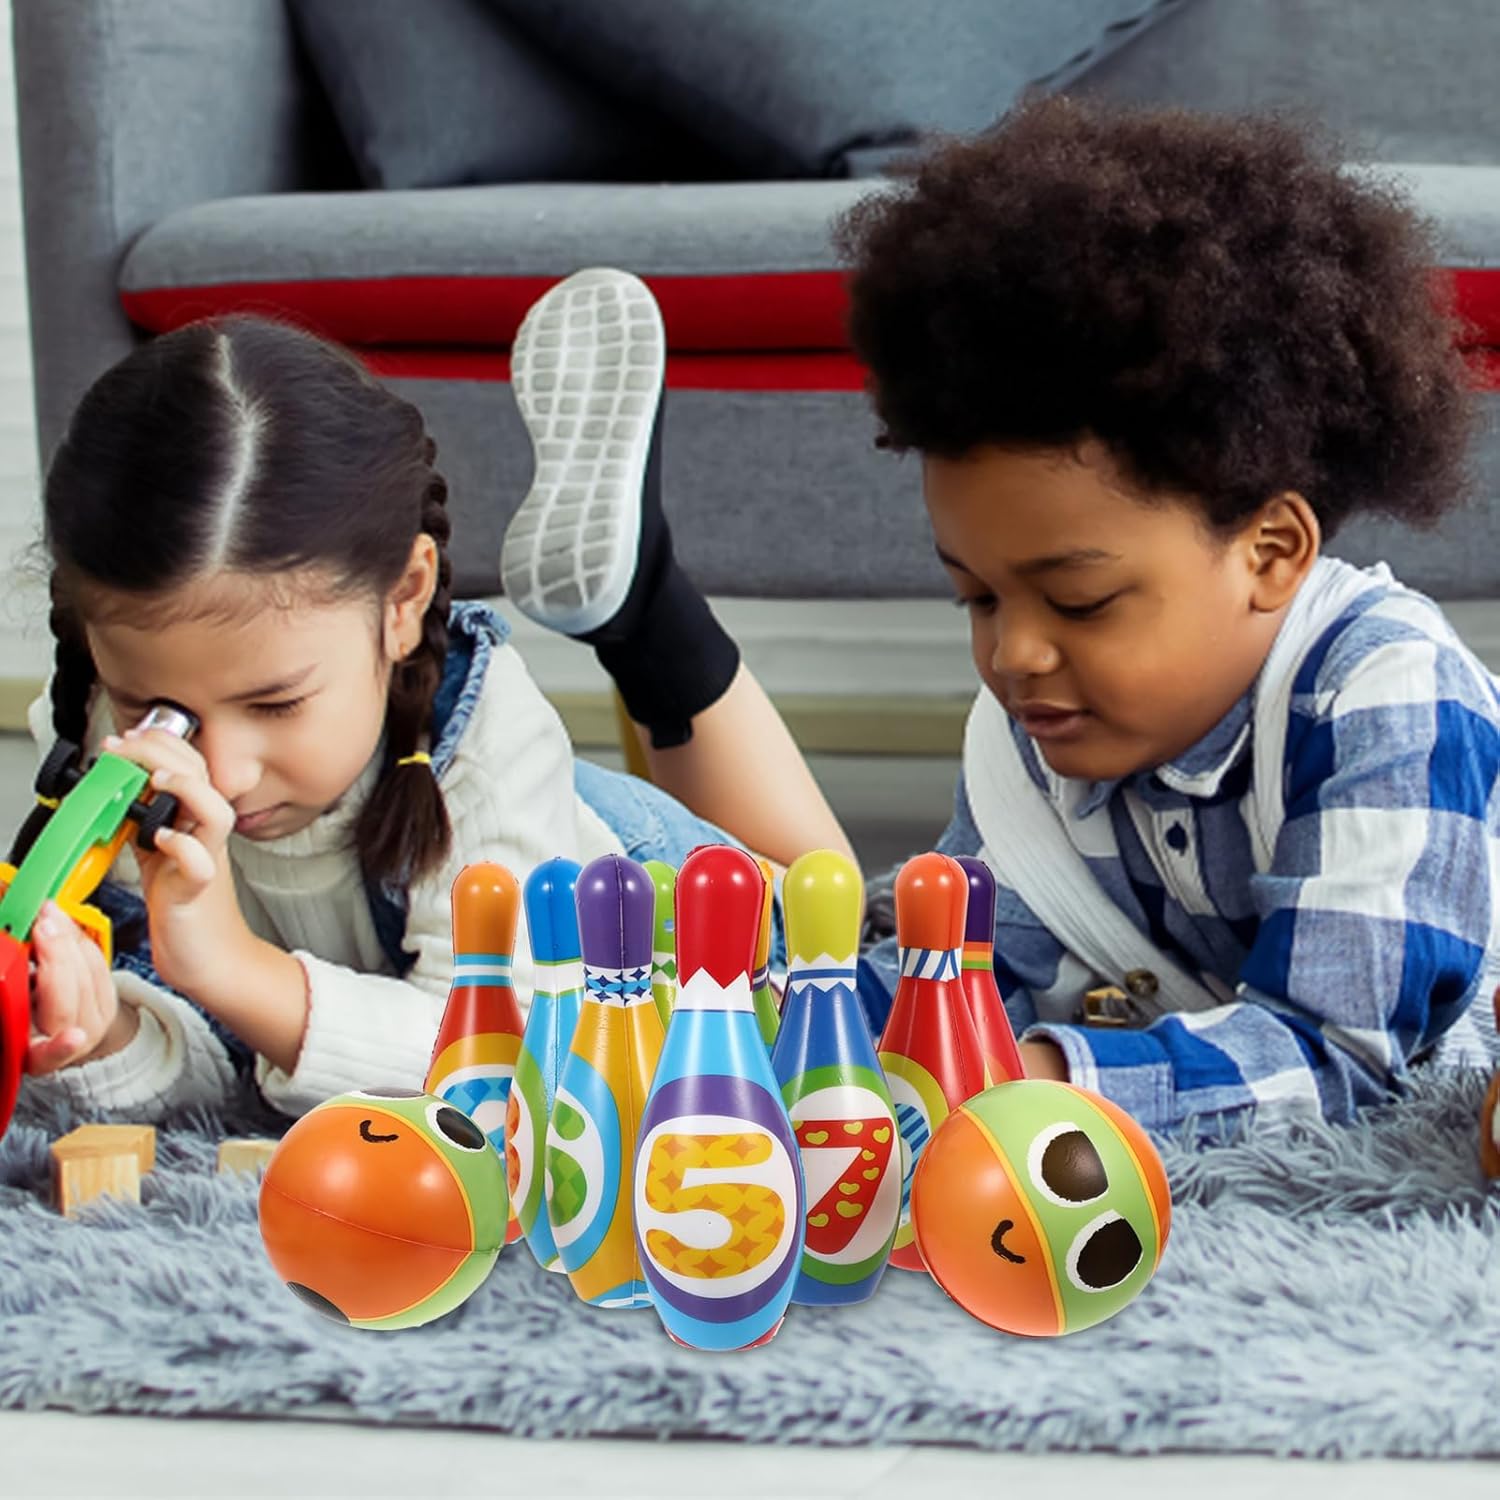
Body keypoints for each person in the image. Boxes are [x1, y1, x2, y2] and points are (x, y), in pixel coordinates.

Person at [21, 270, 852, 1120]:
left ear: (404, 599)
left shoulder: (486, 745)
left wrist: (233, 967)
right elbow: (213, 1072)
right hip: (526, 852)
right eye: (160, 712)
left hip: (695, 947)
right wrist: (101, 1031)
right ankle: (636, 596)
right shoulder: (109, 750)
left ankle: (646, 603)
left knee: (840, 936)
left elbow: (511, 1067)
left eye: (276, 705)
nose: (223, 775)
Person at [842, 98, 1500, 1130]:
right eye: (978, 596)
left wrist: (1038, 1084)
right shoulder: (1033, 740)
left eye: (1081, 601)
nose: (1015, 654)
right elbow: (959, 986)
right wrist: (799, 1035)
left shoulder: (1388, 693)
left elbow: (1341, 1058)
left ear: (1269, 552)